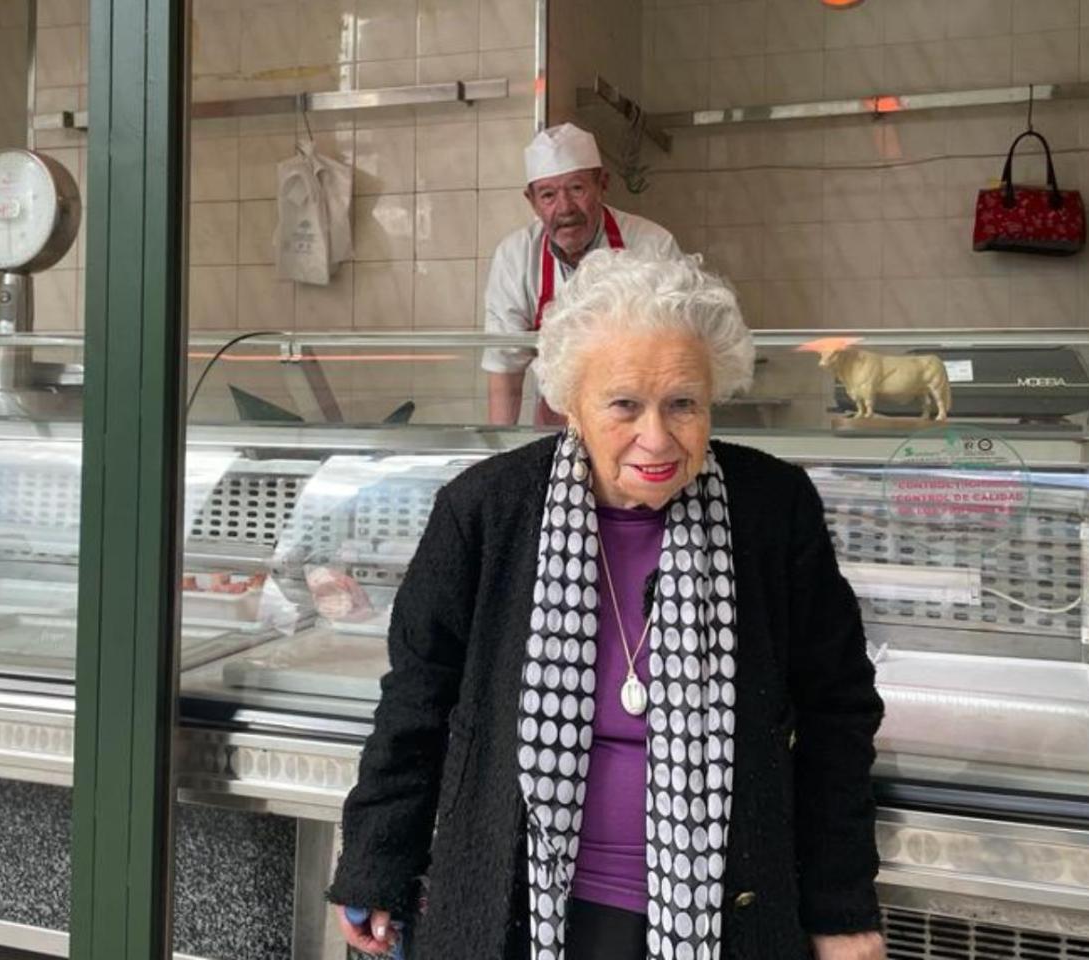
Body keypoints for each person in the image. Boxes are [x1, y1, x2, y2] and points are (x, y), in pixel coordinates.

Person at [329, 250, 887, 960]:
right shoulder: (486, 511)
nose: (656, 437)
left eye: (683, 404)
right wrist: (376, 858)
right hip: (514, 907)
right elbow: (418, 696)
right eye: (624, 405)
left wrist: (840, 906)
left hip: (723, 918)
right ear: (572, 403)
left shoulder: (773, 510)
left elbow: (837, 710)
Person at [482, 124, 684, 426]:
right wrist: (500, 448)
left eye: (577, 189)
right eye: (548, 195)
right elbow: (505, 366)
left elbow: (677, 353)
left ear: (602, 184)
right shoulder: (515, 256)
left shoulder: (653, 246)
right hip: (555, 422)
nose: (565, 208)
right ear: (531, 201)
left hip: (638, 420)